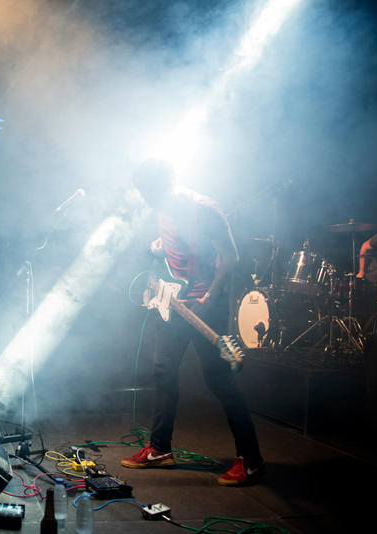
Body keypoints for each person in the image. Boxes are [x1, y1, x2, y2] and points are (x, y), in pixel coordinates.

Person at [121, 159, 265, 486]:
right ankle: (159, 449)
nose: (149, 199)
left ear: (170, 183)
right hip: (172, 302)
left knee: (219, 380)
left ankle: (252, 460)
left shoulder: (204, 210)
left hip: (204, 305)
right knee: (163, 373)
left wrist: (207, 300)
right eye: (144, 193)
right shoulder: (161, 209)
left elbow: (231, 259)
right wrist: (158, 250)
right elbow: (176, 248)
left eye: (153, 192)